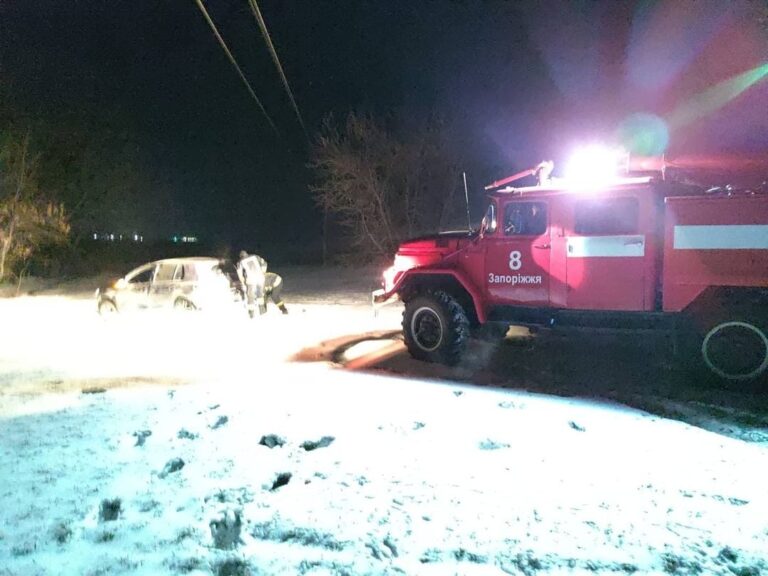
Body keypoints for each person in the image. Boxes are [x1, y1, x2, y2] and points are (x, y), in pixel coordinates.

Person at [236, 250, 267, 318]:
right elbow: (264, 263)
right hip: (260, 278)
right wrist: (263, 272)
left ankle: (251, 313)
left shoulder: (240, 261)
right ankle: (262, 310)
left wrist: (243, 282)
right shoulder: (255, 256)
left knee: (250, 296)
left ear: (240, 256)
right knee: (260, 294)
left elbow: (239, 273)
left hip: (251, 280)